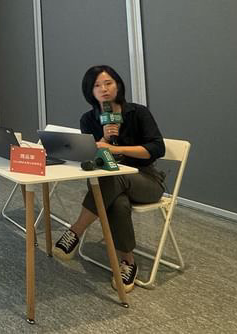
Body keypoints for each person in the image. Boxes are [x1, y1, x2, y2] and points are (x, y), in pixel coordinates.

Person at [52, 65, 166, 292]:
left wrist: (117, 149)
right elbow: (90, 157)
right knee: (118, 201)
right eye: (97, 85)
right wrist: (103, 138)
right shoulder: (88, 119)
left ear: (118, 85)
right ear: (90, 92)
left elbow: (157, 148)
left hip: (145, 180)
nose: (103, 89)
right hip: (107, 180)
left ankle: (75, 230)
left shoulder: (138, 112)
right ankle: (128, 263)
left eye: (108, 83)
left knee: (116, 179)